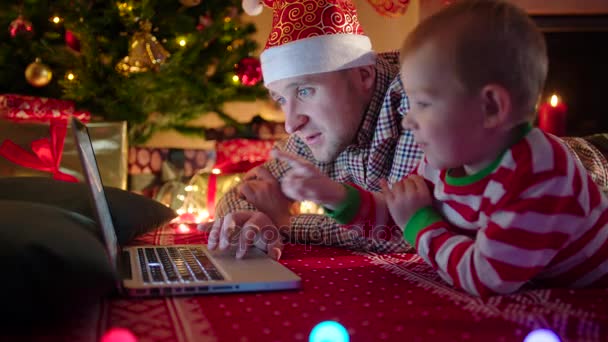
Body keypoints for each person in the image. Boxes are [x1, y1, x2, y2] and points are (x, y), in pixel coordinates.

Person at [271, 0, 608, 297]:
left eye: (423, 103)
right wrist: (335, 196)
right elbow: (396, 213)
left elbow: (485, 278)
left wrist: (421, 222)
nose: (407, 121)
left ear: (491, 107)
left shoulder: (537, 173)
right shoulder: (445, 161)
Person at [201, 0, 423, 259]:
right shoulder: (321, 129)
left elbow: (404, 230)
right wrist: (251, 218)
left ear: (364, 75)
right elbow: (242, 191)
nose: (291, 123)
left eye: (305, 91)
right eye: (281, 99)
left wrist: (284, 223)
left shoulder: (417, 95)